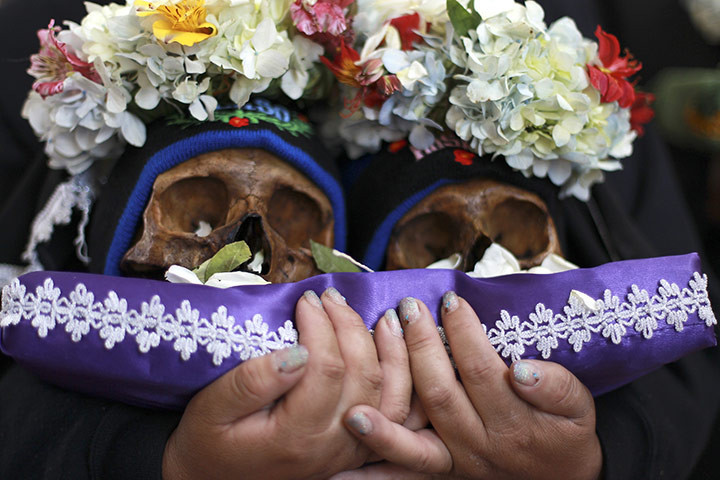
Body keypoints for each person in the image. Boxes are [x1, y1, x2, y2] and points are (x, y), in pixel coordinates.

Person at [1, 1, 719, 480]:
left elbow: (676, 327)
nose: (245, 246)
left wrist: (600, 458)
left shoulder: (559, 37)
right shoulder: (57, 42)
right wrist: (154, 460)